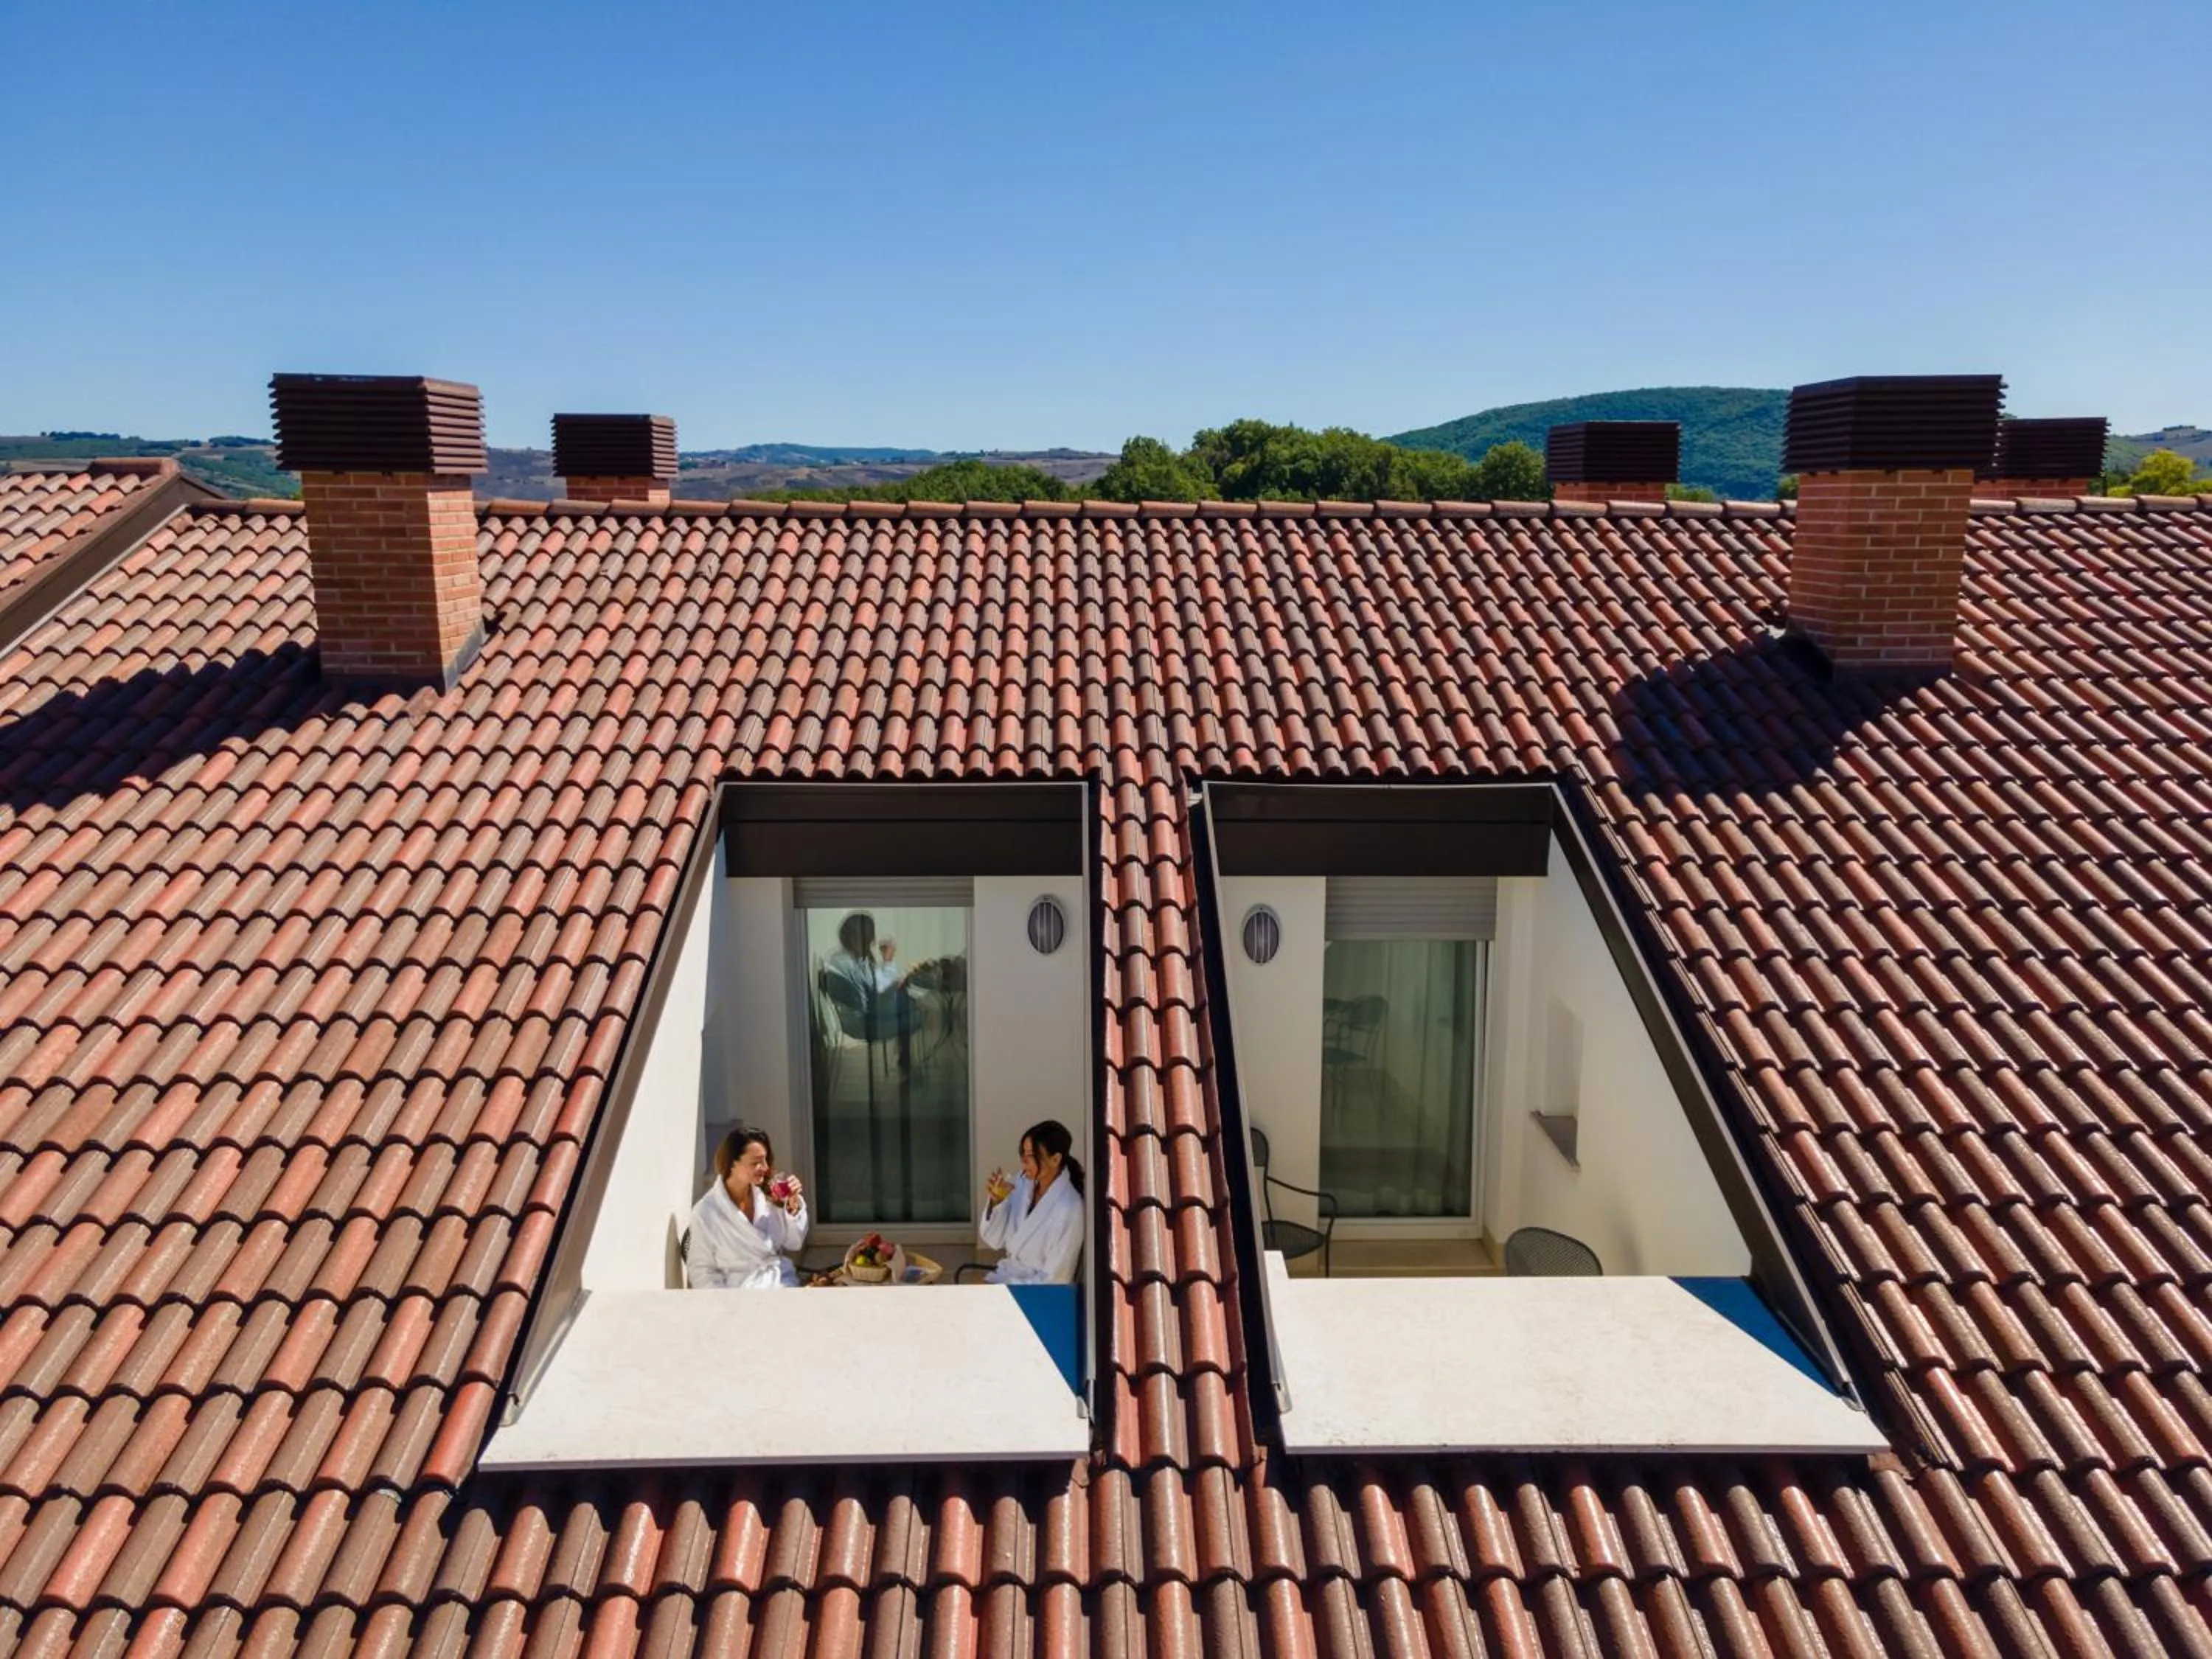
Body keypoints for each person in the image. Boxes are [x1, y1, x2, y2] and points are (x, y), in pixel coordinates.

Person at [687, 1125, 809, 1288]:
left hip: (779, 1282)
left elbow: (794, 1242)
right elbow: (701, 1271)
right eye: (756, 1162)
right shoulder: (707, 1212)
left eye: (766, 1160)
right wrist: (725, 1308)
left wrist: (793, 1207)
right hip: (738, 1294)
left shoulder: (768, 1196)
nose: (765, 1168)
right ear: (732, 1164)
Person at [977, 1119, 1085, 1284]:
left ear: (1055, 1159)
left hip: (1037, 1297)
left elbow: (1056, 1280)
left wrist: (1005, 1287)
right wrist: (996, 1203)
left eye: (1031, 1156)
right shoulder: (1022, 1184)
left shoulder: (1070, 1208)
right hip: (1006, 1280)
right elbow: (994, 1239)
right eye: (1023, 1154)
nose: (1023, 1162)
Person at [821, 911, 925, 1071]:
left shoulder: (841, 958)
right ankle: (906, 1062)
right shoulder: (849, 963)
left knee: (908, 1002)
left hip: (859, 1016)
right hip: (863, 1023)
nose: (873, 941)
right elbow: (873, 998)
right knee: (916, 1012)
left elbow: (872, 986)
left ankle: (905, 1059)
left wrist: (889, 973)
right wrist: (889, 963)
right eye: (870, 935)